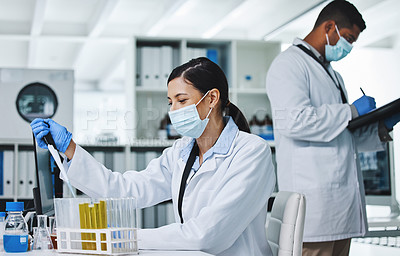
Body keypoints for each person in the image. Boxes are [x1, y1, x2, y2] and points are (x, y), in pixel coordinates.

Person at [31, 57, 276, 256]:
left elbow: (208, 235)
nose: (174, 111)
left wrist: (128, 237)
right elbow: (127, 189)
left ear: (212, 98)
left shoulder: (251, 152)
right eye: (170, 102)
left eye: (182, 100)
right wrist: (70, 149)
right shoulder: (181, 152)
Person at [265, 1, 400, 256]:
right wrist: (351, 110)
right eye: (348, 38)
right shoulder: (289, 65)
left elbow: (341, 135)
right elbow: (295, 121)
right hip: (314, 211)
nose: (348, 47)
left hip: (341, 211)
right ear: (329, 27)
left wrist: (383, 125)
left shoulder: (333, 75)